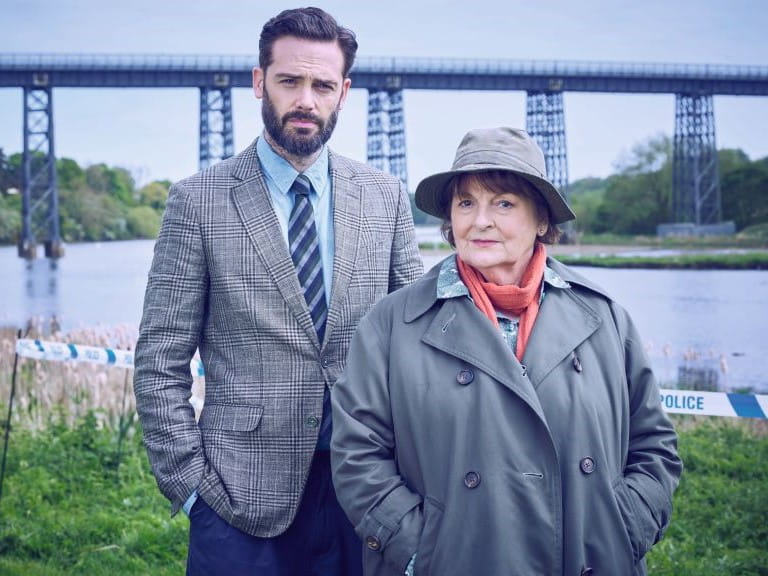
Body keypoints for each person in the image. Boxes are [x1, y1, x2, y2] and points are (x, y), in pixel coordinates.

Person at [133, 7, 423, 575]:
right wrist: (191, 488)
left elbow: (417, 344)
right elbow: (158, 360)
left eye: (322, 85)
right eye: (290, 81)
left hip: (366, 493)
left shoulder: (386, 198)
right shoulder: (198, 202)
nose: (305, 101)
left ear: (344, 91)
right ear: (259, 81)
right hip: (238, 504)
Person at [331, 127, 682, 575]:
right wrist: (420, 550)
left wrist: (624, 528)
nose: (480, 220)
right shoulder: (391, 323)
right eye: (466, 203)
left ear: (541, 220)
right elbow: (357, 454)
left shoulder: (605, 317)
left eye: (503, 203)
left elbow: (655, 445)